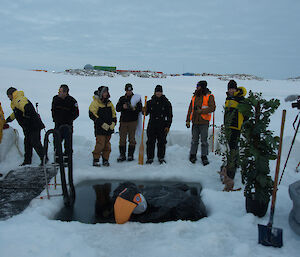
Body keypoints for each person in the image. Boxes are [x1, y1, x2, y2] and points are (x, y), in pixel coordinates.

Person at [5, 87, 45, 166]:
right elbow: (16, 113)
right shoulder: (15, 101)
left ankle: (44, 159)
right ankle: (27, 161)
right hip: (28, 127)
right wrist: (8, 120)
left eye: (8, 96)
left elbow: (27, 108)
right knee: (27, 143)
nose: (8, 97)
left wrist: (26, 120)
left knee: (35, 142)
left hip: (33, 126)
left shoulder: (19, 99)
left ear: (11, 94)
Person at [186, 81, 216, 165]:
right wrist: (187, 120)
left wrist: (201, 111)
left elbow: (212, 108)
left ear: (202, 87)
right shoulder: (194, 96)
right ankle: (192, 155)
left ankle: (204, 156)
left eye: (198, 86)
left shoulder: (209, 96)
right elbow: (190, 109)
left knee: (204, 141)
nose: (196, 87)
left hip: (204, 122)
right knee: (194, 140)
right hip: (195, 121)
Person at [223, 80, 247, 182]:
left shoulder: (241, 99)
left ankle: (232, 166)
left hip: (236, 126)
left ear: (236, 89)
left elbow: (246, 113)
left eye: (232, 88)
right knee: (231, 145)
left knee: (233, 145)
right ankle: (235, 162)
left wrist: (243, 122)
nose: (231, 90)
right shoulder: (228, 98)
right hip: (228, 126)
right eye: (229, 88)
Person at [89, 86, 116, 167]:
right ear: (101, 93)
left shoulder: (109, 103)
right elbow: (92, 114)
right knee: (100, 144)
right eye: (104, 92)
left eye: (107, 92)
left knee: (107, 145)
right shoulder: (96, 102)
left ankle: (105, 159)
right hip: (100, 128)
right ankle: (96, 159)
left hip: (109, 128)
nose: (106, 94)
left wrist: (113, 123)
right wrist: (101, 123)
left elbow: (113, 113)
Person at [51, 84, 79, 164]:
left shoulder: (72, 101)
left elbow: (76, 113)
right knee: (56, 142)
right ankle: (57, 159)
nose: (59, 93)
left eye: (60, 91)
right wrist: (55, 119)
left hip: (67, 126)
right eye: (58, 91)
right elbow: (53, 110)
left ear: (65, 92)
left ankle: (67, 160)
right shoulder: (55, 99)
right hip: (58, 125)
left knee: (68, 144)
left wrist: (68, 120)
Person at [145, 85, 172, 164]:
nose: (158, 93)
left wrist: (168, 126)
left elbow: (169, 115)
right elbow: (146, 113)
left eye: (160, 92)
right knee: (150, 142)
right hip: (152, 124)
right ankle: (150, 157)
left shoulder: (166, 102)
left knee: (162, 142)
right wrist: (144, 109)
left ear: (162, 92)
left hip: (162, 125)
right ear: (155, 92)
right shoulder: (150, 102)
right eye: (157, 91)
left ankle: (161, 157)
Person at [116, 83, 142, 162]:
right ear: (125, 90)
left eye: (130, 90)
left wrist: (134, 108)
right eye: (127, 90)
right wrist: (123, 107)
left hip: (133, 122)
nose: (129, 92)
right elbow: (117, 108)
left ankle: (130, 155)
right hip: (123, 121)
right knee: (122, 139)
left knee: (132, 139)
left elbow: (140, 108)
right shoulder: (122, 98)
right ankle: (122, 155)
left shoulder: (136, 98)